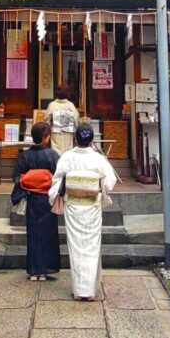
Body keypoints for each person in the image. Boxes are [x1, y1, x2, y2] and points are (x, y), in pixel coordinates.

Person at [48, 123, 117, 301]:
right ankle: (90, 289)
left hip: (73, 205)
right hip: (92, 206)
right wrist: (98, 186)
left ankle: (80, 290)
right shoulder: (98, 159)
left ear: (75, 138)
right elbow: (109, 182)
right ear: (91, 139)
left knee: (76, 245)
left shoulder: (67, 157)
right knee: (92, 245)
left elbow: (56, 180)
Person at [11, 122, 61, 281]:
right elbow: (60, 176)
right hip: (47, 199)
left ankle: (34, 271)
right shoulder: (52, 155)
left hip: (31, 198)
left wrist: (29, 181)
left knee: (33, 234)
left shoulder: (25, 155)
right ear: (45, 138)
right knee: (48, 234)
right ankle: (44, 270)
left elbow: (17, 177)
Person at [46, 83, 80, 154]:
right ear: (68, 93)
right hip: (68, 134)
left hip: (56, 134)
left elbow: (47, 121)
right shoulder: (71, 105)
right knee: (67, 153)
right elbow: (76, 120)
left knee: (55, 154)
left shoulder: (52, 105)